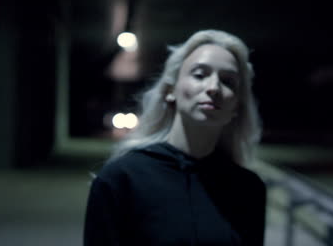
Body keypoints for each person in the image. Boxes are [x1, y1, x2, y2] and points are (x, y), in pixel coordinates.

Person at [84, 29, 266, 246]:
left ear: (237, 105)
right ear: (171, 89)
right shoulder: (122, 179)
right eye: (200, 75)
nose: (214, 88)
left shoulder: (247, 189)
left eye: (228, 81)